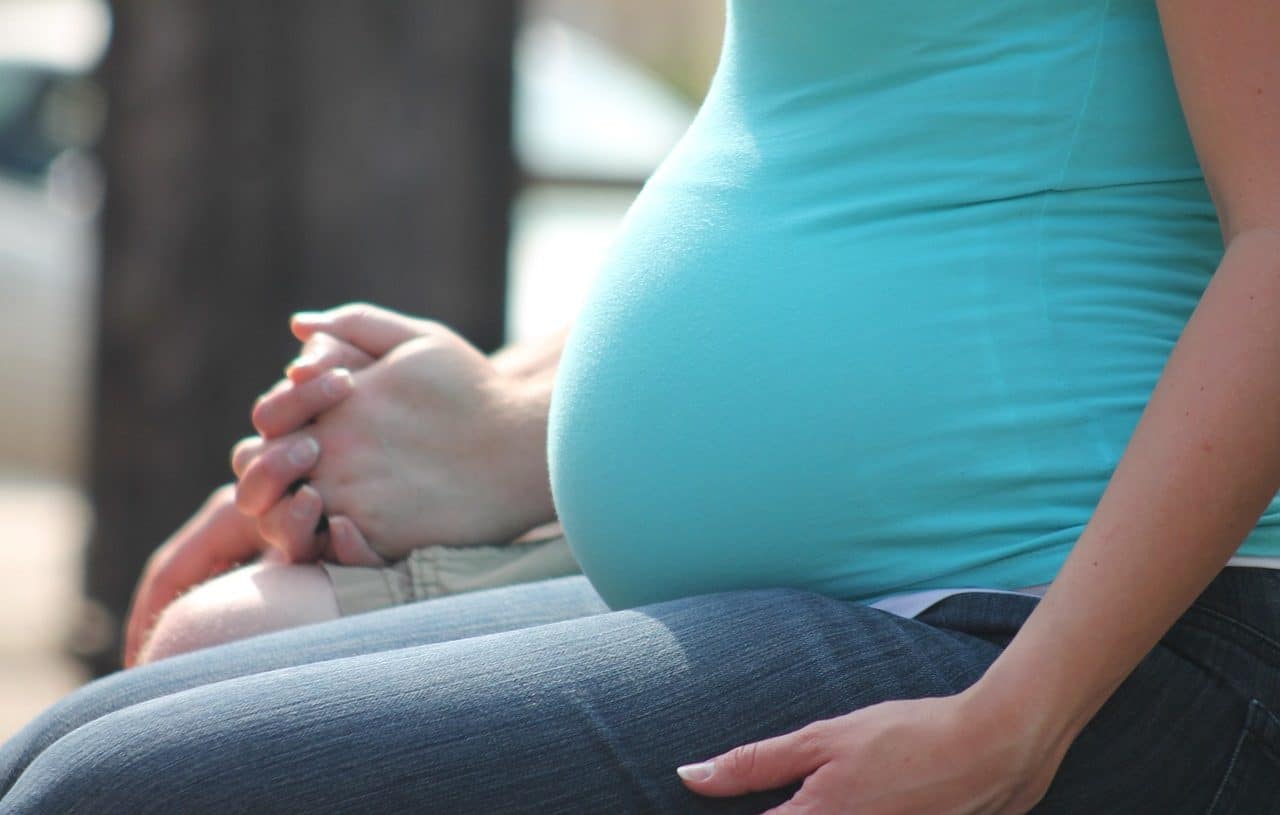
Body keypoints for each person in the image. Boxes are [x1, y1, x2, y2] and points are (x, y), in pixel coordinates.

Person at [3, 0, 1280, 811]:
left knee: (115, 796)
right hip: (883, 592)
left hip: (1067, 633)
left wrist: (1019, 719)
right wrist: (517, 410)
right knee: (60, 750)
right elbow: (863, 148)